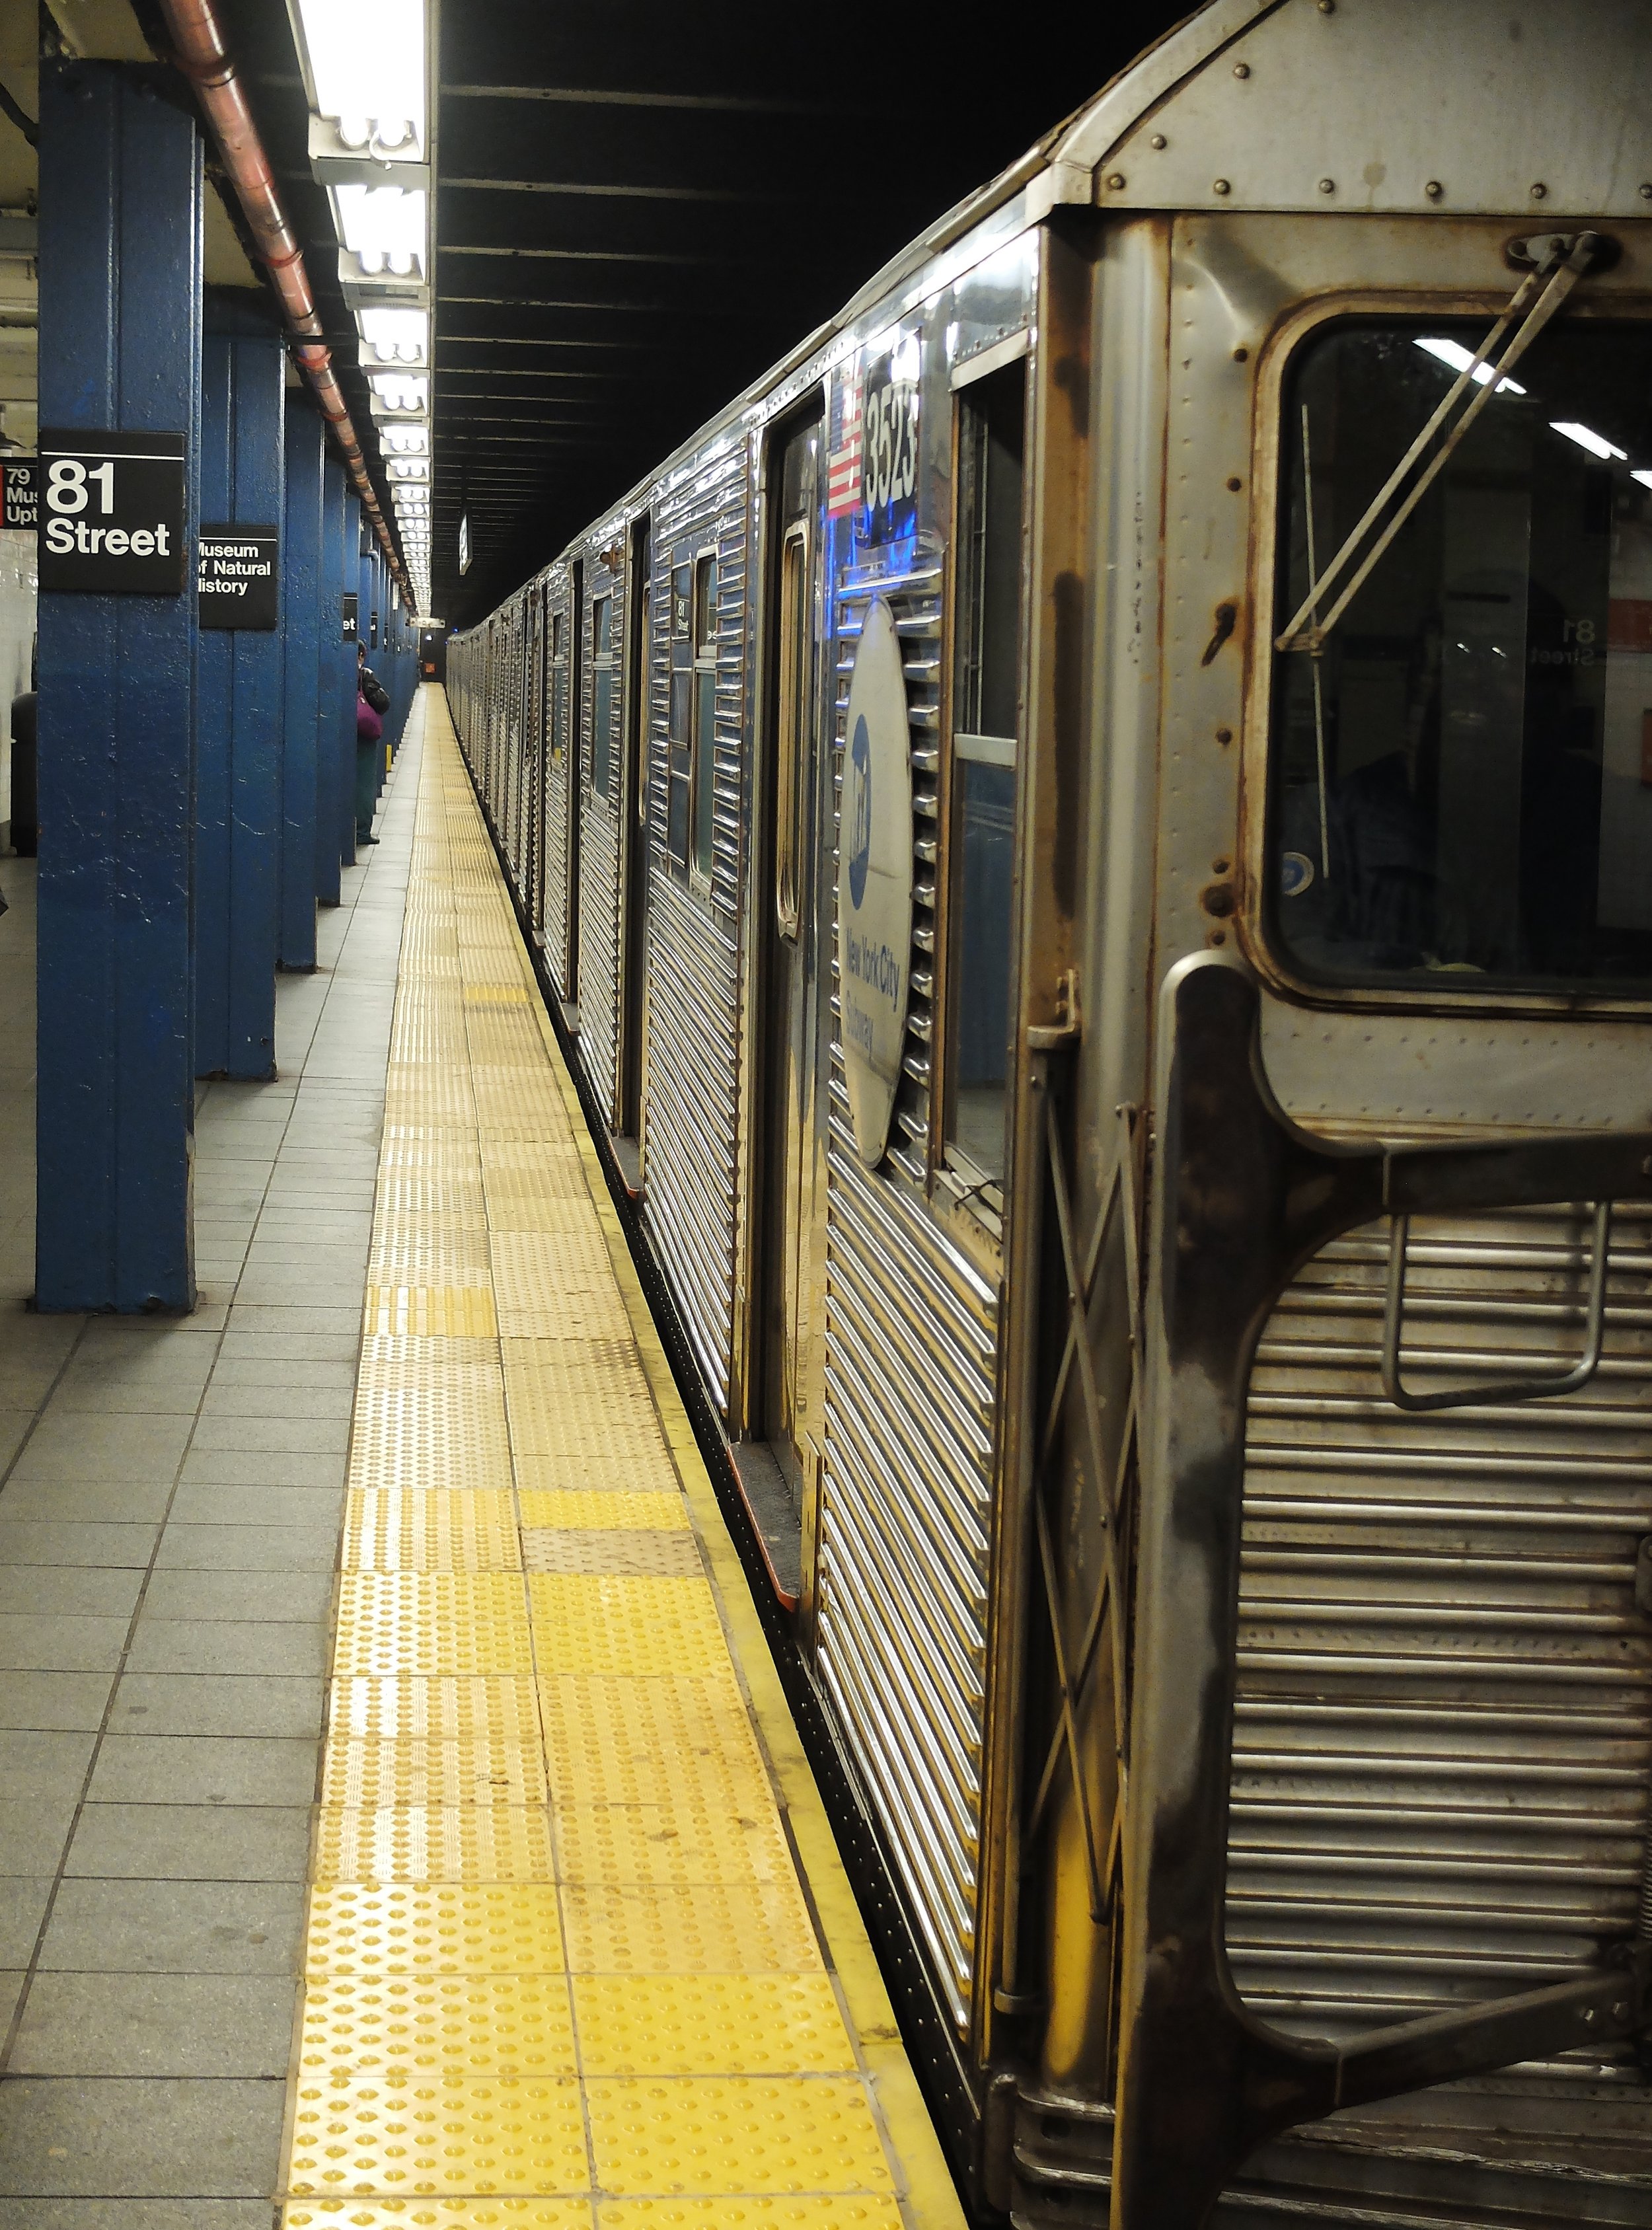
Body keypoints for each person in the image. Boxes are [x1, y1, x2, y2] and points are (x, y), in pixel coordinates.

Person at [356, 643, 389, 847]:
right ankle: (361, 832)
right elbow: (383, 704)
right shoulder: (364, 676)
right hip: (363, 737)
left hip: (337, 735)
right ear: (360, 655)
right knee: (364, 785)